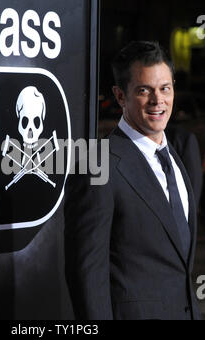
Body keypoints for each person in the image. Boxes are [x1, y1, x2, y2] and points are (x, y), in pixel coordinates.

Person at [64, 41, 202, 320]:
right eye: (144, 90)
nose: (157, 101)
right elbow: (86, 273)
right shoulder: (97, 161)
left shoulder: (176, 154)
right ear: (120, 96)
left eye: (165, 88)